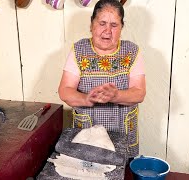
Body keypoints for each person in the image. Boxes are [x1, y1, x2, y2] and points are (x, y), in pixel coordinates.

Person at [58, 0, 146, 158]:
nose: (107, 30)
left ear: (121, 28)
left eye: (114, 25)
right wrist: (86, 98)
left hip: (122, 132)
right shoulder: (79, 50)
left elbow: (139, 93)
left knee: (120, 170)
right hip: (87, 133)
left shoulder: (132, 51)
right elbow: (65, 91)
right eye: (102, 23)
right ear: (92, 25)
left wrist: (116, 96)